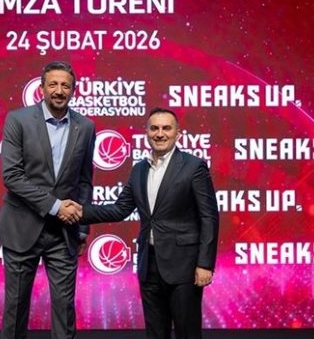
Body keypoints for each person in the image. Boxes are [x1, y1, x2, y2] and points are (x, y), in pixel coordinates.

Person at [81, 107, 218, 339]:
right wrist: (80, 211)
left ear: (177, 134)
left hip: (184, 267)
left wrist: (205, 264)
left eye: (166, 128)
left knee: (187, 333)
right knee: (155, 333)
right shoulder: (139, 169)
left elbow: (209, 217)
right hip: (149, 265)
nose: (160, 133)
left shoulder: (194, 166)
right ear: (147, 132)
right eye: (154, 128)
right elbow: (120, 209)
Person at [0, 61, 96, 339]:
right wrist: (55, 206)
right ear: (42, 89)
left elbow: (84, 181)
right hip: (21, 228)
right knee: (15, 309)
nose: (59, 90)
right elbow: (12, 176)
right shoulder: (18, 120)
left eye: (65, 85)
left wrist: (82, 229)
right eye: (53, 84)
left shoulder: (86, 127)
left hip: (64, 234)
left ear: (73, 90)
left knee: (65, 310)